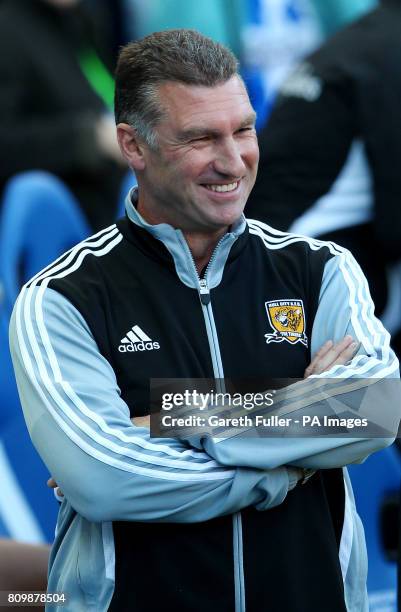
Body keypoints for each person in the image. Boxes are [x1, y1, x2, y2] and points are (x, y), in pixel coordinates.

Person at [9, 29, 400, 612]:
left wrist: (170, 417)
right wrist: (289, 459)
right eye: (200, 138)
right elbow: (104, 478)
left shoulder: (321, 270)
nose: (232, 160)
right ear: (133, 146)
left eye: (243, 129)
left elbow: (376, 408)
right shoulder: (60, 298)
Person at [245, 0, 401, 357]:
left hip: (256, 262)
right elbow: (396, 224)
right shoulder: (388, 53)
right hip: (308, 281)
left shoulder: (359, 40)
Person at [0, 0, 127, 231]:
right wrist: (91, 139)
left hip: (111, 197)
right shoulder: (8, 30)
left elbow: (102, 91)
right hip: (58, 224)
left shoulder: (82, 18)